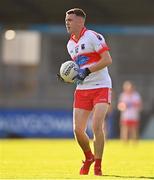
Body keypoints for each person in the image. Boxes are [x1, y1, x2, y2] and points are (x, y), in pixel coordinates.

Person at [58, 8, 112, 176]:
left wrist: (87, 71)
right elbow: (78, 70)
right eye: (66, 20)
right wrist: (69, 77)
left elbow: (107, 60)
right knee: (78, 130)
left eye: (70, 20)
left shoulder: (93, 37)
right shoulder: (70, 44)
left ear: (80, 21)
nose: (67, 22)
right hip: (82, 89)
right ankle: (88, 157)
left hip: (101, 85)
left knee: (97, 125)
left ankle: (98, 165)